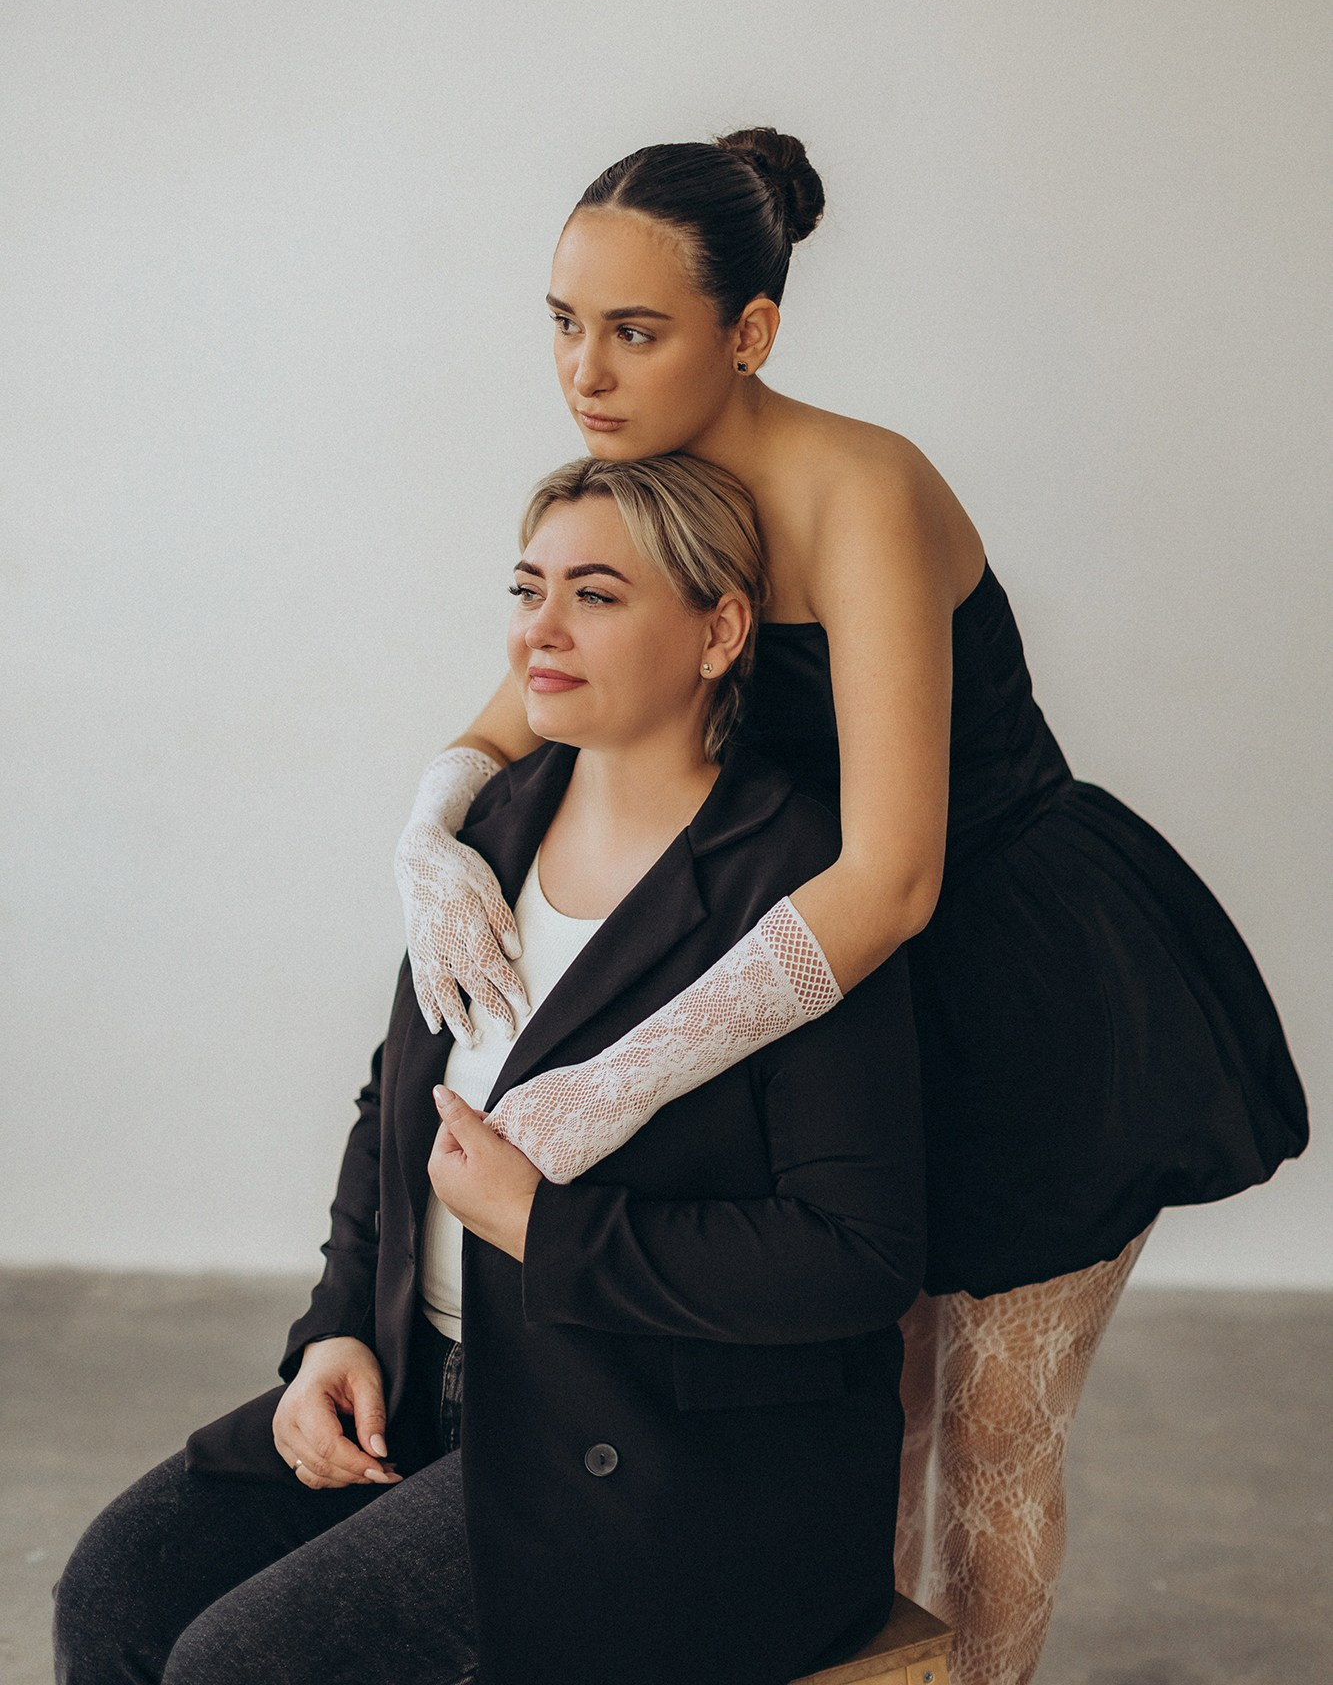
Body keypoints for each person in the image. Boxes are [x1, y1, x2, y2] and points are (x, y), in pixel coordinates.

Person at [394, 127, 1311, 1685]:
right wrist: (426, 838)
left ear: (749, 331)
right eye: (563, 322)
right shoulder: (644, 489)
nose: (585, 374)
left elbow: (895, 874)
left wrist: (613, 1081)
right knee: (847, 1423)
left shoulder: (863, 490)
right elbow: (514, 716)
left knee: (993, 1437)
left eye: (635, 331)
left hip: (1018, 994)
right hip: (812, 1008)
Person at [52, 454, 927, 1685]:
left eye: (596, 594)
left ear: (720, 630)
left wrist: (543, 1224)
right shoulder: (484, 839)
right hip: (426, 1392)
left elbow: (856, 1254)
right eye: (527, 588)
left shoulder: (797, 885)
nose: (539, 630)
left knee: (239, 1665)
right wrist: (336, 1332)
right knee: (115, 1592)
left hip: (663, 1451)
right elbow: (394, 1107)